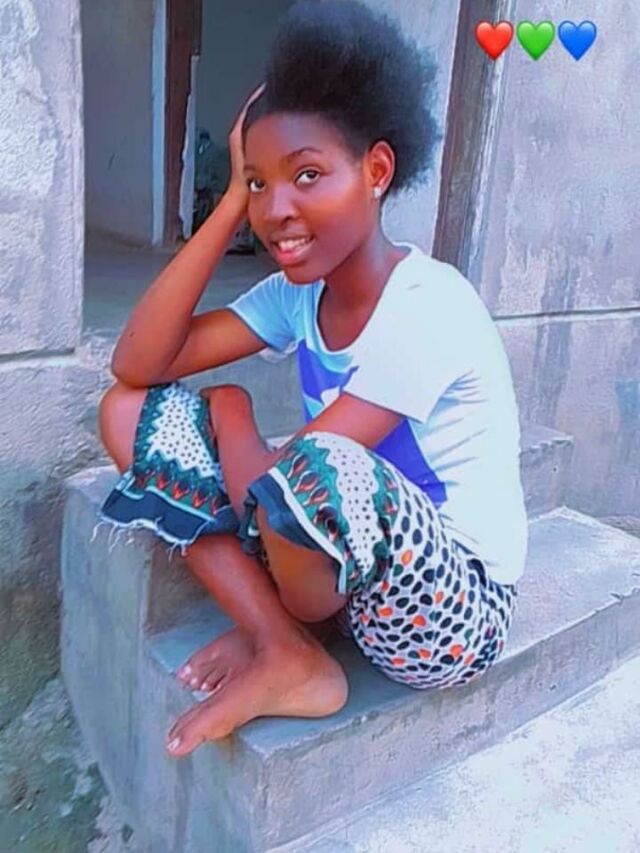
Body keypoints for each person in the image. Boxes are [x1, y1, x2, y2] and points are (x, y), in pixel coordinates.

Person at [98, 0, 527, 759]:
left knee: (315, 469)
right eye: (261, 185)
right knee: (127, 413)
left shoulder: (429, 306)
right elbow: (137, 363)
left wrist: (233, 413)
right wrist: (229, 204)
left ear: (376, 171)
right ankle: (284, 646)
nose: (279, 210)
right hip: (340, 575)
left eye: (307, 175)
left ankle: (285, 633)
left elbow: (284, 489)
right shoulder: (298, 297)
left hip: (449, 612)